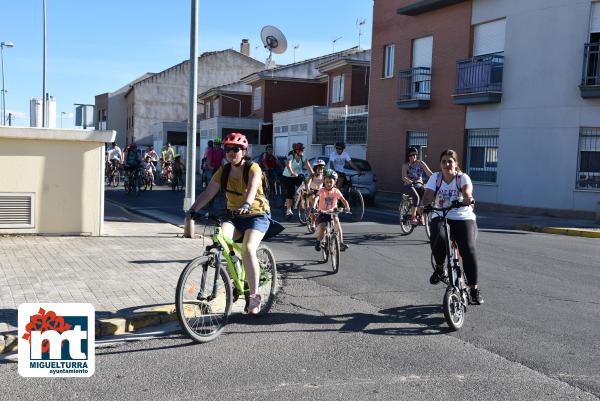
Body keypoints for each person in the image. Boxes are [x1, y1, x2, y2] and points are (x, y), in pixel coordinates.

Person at [187, 133, 273, 315]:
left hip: (256, 214)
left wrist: (247, 204)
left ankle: (255, 296)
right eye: (228, 149)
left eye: (236, 149)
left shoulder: (253, 168)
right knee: (221, 242)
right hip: (234, 215)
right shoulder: (223, 171)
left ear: (244, 151)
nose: (231, 153)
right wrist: (193, 210)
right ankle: (236, 278)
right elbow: (208, 192)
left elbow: (251, 188)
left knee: (248, 248)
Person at [418, 149, 483, 305]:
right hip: (440, 215)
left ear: (456, 164)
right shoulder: (436, 177)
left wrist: (467, 198)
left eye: (450, 161)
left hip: (462, 216)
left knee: (468, 248)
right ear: (440, 164)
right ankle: (440, 269)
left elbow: (468, 192)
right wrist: (423, 205)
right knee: (438, 239)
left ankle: (473, 289)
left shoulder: (462, 178)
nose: (447, 164)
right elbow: (428, 195)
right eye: (444, 161)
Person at [314, 169, 351, 252]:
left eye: (331, 182)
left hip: (333, 212)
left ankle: (341, 243)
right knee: (323, 228)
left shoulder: (336, 191)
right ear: (324, 181)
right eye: (327, 182)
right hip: (322, 212)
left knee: (338, 225)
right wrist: (314, 207)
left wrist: (347, 207)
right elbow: (316, 198)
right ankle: (318, 241)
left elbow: (343, 200)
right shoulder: (321, 190)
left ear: (335, 182)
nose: (329, 184)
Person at [402, 147, 433, 225]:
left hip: (419, 185)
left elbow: (429, 173)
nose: (413, 156)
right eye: (411, 155)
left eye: (415, 154)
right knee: (416, 197)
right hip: (409, 185)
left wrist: (437, 179)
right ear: (408, 156)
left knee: (425, 197)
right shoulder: (406, 165)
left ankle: (420, 214)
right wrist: (410, 181)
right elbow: (403, 177)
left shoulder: (421, 163)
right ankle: (413, 217)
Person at [282, 143, 312, 219]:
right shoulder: (291, 155)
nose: (302, 151)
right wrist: (292, 172)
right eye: (301, 149)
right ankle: (288, 210)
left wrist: (313, 173)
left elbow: (308, 165)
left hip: (298, 175)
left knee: (305, 184)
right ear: (296, 151)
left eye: (303, 149)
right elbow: (288, 165)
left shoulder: (303, 156)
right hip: (288, 176)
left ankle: (303, 197)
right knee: (290, 192)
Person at [305, 159, 326, 231]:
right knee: (314, 201)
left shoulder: (324, 176)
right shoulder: (313, 175)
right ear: (315, 168)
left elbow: (327, 184)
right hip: (312, 192)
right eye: (319, 168)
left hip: (319, 192)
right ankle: (313, 224)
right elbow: (308, 184)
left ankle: (315, 211)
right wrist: (308, 190)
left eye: (322, 168)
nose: (321, 170)